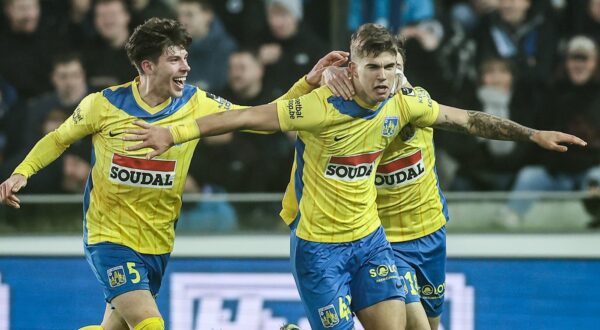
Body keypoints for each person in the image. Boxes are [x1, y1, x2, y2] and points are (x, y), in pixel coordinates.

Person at [123, 23, 585, 330]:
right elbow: (249, 118)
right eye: (373, 68)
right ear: (351, 68)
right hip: (320, 251)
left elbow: (468, 120)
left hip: (371, 240)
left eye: (392, 68)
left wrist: (532, 134)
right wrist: (174, 132)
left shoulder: (408, 102)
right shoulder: (322, 107)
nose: (384, 78)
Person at [0, 17, 347, 330]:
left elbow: (260, 117)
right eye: (175, 59)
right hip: (109, 240)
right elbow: (58, 138)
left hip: (158, 242)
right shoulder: (102, 105)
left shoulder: (197, 103)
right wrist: (22, 173)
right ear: (147, 65)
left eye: (186, 58)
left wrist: (306, 83)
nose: (187, 66)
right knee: (150, 324)